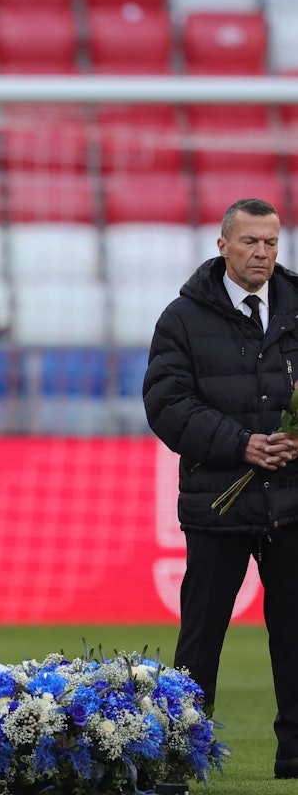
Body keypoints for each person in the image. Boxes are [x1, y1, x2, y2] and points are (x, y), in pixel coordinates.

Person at [144, 197, 298, 781]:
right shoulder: (181, 318)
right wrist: (243, 444)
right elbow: (165, 404)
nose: (262, 253)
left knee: (294, 636)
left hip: (293, 500)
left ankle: (295, 758)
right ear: (223, 246)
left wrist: (294, 441)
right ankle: (180, 759)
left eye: (271, 243)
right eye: (251, 242)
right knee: (201, 636)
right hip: (217, 501)